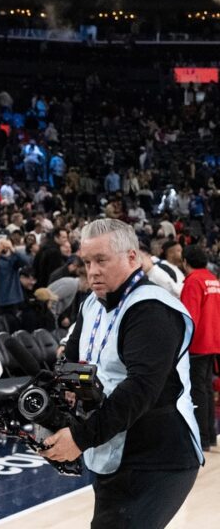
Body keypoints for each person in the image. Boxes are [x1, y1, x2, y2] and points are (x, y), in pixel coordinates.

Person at [48, 219, 204, 529]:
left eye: (101, 260)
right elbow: (72, 361)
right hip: (114, 448)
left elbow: (140, 389)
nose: (92, 271)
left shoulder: (152, 309)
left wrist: (80, 437)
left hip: (158, 457)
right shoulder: (91, 304)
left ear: (132, 257)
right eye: (87, 262)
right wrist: (59, 405)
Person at [179, 245, 220, 452]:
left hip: (198, 343)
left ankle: (202, 439)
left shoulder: (193, 281)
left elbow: (189, 316)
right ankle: (210, 437)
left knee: (198, 390)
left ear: (185, 261)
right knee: (206, 389)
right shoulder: (213, 279)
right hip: (213, 340)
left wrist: (180, 344)